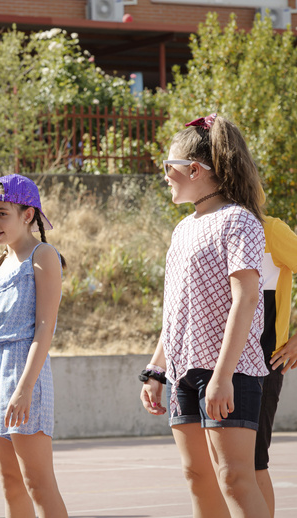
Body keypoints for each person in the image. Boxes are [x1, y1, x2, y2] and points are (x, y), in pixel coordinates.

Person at [139, 114, 270, 517]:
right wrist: (157, 369)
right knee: (198, 477)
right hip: (183, 371)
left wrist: (223, 377)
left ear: (194, 169)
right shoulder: (183, 229)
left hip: (230, 373)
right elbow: (177, 307)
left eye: (168, 167)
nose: (165, 176)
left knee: (233, 478)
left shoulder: (239, 220)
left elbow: (246, 299)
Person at [0, 174, 69, 518]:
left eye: (2, 213)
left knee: (37, 481)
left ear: (28, 215)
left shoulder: (43, 255)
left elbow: (44, 329)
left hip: (23, 370)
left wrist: (24, 388)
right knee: (10, 481)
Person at [255, 214, 297, 517]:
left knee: (252, 464)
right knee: (219, 470)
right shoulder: (205, 228)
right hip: (212, 366)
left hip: (263, 364)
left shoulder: (271, 230)